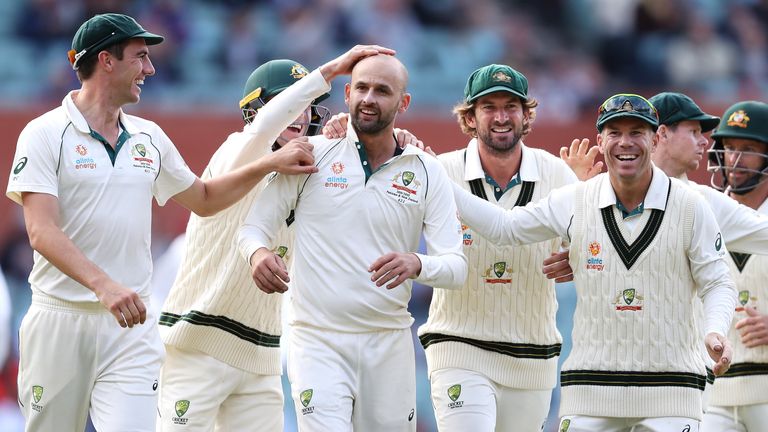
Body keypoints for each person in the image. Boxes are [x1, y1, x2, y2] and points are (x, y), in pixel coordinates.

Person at [5, 13, 316, 432]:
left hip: (131, 326)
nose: (150, 69)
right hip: (60, 319)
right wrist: (104, 285)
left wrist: (269, 164)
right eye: (141, 57)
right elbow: (41, 232)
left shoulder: (149, 137)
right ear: (106, 61)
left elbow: (205, 199)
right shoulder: (43, 134)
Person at [451, 93, 737, 431]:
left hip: (672, 391)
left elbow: (717, 280)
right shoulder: (575, 200)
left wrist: (715, 330)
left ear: (656, 138)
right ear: (600, 141)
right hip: (589, 389)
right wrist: (440, 181)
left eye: (637, 132)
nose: (625, 143)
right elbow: (505, 227)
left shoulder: (690, 205)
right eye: (615, 133)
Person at [156, 46, 393, 431]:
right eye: (288, 103)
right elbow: (266, 127)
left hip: (262, 355)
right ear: (257, 109)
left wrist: (401, 147)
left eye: (308, 106)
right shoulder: (240, 147)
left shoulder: (314, 175)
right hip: (197, 341)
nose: (299, 115)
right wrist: (332, 70)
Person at [237, 54, 467, 431]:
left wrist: (417, 263)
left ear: (403, 103)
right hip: (316, 339)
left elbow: (456, 268)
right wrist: (258, 254)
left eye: (382, 90)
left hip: (389, 342)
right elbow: (252, 229)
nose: (369, 98)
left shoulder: (426, 170)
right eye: (361, 87)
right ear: (346, 93)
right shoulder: (312, 154)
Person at [413, 64, 578, 431]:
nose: (501, 117)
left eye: (511, 107)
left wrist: (578, 255)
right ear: (470, 117)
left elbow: (591, 247)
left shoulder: (557, 175)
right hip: (458, 345)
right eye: (489, 107)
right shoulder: (443, 171)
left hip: (532, 357)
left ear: (526, 114)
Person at [702, 101, 768, 432]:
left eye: (748, 149)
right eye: (729, 148)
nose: (735, 160)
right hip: (713, 393)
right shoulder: (701, 214)